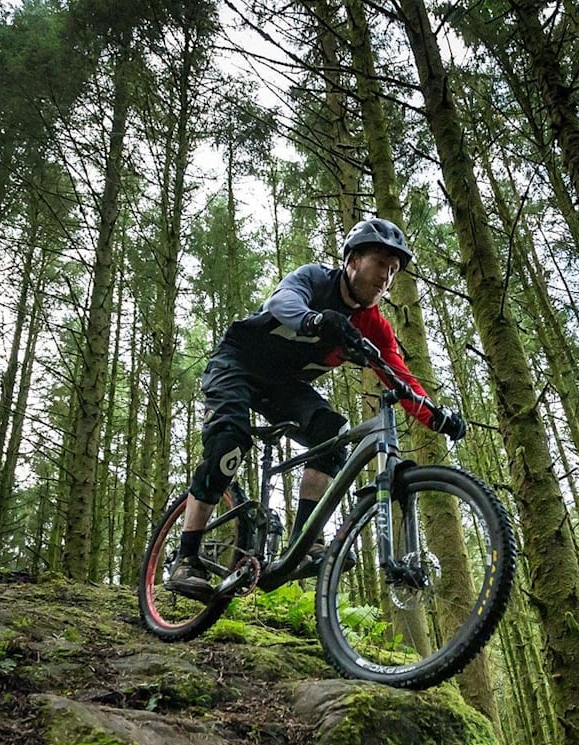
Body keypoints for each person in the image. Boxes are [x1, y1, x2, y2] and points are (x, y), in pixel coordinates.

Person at [169, 217, 466, 599]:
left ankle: (303, 543)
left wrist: (434, 415)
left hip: (283, 387)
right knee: (228, 441)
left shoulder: (375, 326)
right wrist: (316, 319)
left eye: (394, 271)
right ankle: (186, 558)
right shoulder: (315, 279)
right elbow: (282, 302)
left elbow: (399, 376)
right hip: (237, 363)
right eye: (380, 264)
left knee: (333, 431)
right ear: (353, 259)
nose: (386, 278)